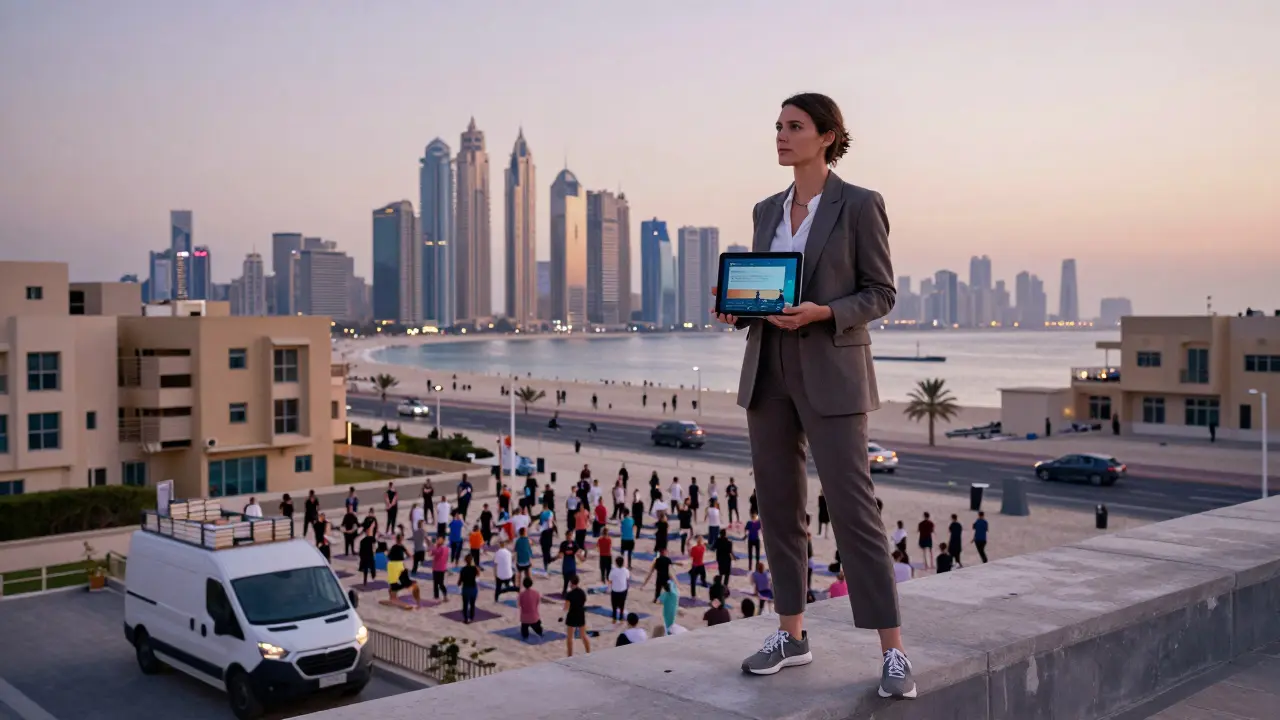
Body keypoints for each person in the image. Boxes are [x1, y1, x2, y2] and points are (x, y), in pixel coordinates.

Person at [713, 94, 912, 699]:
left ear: (827, 137)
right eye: (777, 126)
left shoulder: (859, 204)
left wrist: (825, 311)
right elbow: (766, 289)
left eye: (794, 127)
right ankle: (792, 635)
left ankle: (894, 650)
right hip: (767, 371)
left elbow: (880, 292)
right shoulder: (765, 208)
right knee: (778, 506)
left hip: (832, 369)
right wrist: (738, 310)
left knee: (854, 509)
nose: (780, 135)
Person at [386, 534, 423, 609]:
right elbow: (409, 555)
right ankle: (418, 603)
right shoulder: (401, 546)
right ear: (401, 539)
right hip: (398, 565)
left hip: (392, 566)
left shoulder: (394, 547)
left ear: (396, 539)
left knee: (393, 585)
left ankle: (392, 598)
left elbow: (388, 556)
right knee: (406, 583)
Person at [563, 574, 591, 657]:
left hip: (572, 616)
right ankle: (588, 652)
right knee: (583, 636)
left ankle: (570, 656)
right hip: (580, 615)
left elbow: (566, 608)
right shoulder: (582, 592)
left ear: (571, 583)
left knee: (569, 638)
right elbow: (583, 602)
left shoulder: (569, 594)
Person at [608, 556, 630, 623]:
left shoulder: (613, 571)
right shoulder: (626, 570)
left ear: (616, 563)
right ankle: (621, 618)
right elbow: (627, 579)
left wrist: (609, 588)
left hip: (615, 591)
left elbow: (610, 581)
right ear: (623, 563)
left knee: (614, 605)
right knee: (622, 605)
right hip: (623, 590)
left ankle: (614, 618)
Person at [459, 555, 480, 623]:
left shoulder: (463, 569)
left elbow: (459, 582)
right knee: (472, 604)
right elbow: (478, 574)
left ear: (465, 561)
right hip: (473, 589)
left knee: (465, 605)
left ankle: (466, 619)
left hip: (466, 589)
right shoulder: (474, 569)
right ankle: (471, 618)